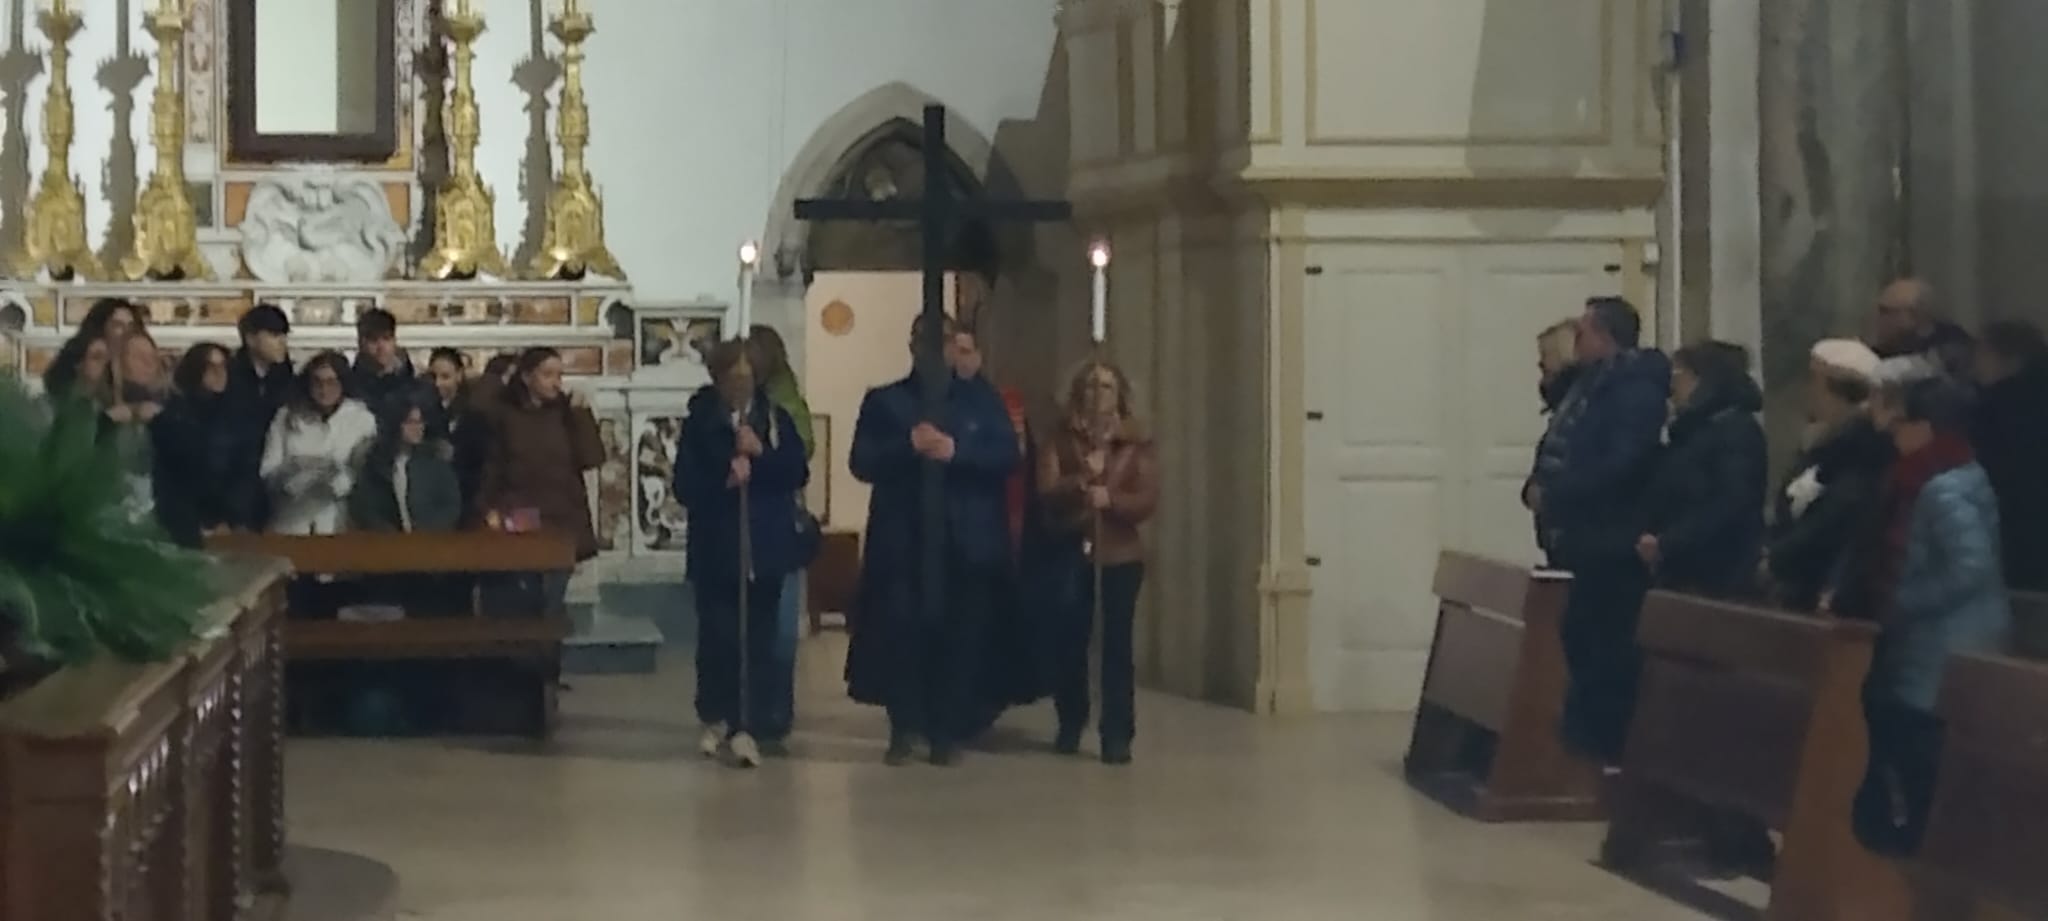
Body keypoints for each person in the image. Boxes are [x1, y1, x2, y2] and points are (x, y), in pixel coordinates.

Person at [1840, 367, 2009, 857]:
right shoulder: (1949, 475)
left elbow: (1970, 566)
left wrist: (1900, 602)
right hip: (1937, 641)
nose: (1894, 435)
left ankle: (1919, 854)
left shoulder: (1942, 488)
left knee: (1918, 753)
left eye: (1901, 424)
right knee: (1906, 744)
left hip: (1944, 642)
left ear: (1924, 427)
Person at [845, 314, 1019, 766]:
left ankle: (947, 729)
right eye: (925, 341)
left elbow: (1006, 453)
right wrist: (907, 445)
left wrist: (957, 451)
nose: (934, 351)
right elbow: (862, 460)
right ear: (912, 345)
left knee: (960, 636)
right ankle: (905, 725)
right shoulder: (886, 401)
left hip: (964, 542)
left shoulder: (980, 401)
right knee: (902, 634)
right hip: (904, 541)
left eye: (942, 342)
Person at [1526, 296, 1671, 765]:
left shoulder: (1635, 390)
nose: (1576, 339)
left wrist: (1559, 494)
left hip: (1608, 541)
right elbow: (1561, 440)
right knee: (1579, 639)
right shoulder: (1590, 383)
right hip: (1576, 538)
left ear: (1605, 336)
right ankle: (1581, 749)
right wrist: (1537, 487)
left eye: (1583, 331)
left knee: (1605, 649)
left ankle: (1604, 753)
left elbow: (1620, 462)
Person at [675, 340, 809, 766]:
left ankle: (750, 722)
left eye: (747, 377)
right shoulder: (700, 423)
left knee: (759, 640)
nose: (740, 385)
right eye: (732, 377)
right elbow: (684, 485)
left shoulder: (774, 419)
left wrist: (761, 456)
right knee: (719, 638)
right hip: (717, 547)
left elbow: (796, 471)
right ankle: (716, 715)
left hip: (763, 548)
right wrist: (724, 481)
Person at [1038, 359, 1159, 764]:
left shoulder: (1136, 443)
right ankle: (1071, 719)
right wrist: (1080, 483)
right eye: (1090, 386)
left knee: (1116, 645)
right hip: (1073, 549)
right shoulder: (1061, 438)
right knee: (1070, 640)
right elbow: (1046, 488)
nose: (1097, 394)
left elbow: (1147, 498)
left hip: (1120, 555)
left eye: (1106, 387)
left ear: (1119, 394)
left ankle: (1117, 732)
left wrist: (1112, 499)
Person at [1764, 340, 1893, 611]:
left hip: (1825, 588)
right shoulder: (1822, 442)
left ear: (1838, 392)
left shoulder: (1860, 448)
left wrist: (1778, 557)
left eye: (1815, 382)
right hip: (1798, 581)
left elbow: (1835, 518)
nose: (1808, 392)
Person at [476, 347, 606, 615]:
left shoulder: (567, 413)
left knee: (553, 603)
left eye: (559, 375)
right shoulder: (505, 415)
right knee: (524, 598)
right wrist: (488, 508)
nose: (556, 383)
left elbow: (592, 457)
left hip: (562, 517)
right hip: (522, 515)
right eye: (548, 375)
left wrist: (581, 415)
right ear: (527, 377)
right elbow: (493, 467)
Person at [1635, 341, 1767, 598]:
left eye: (1678, 375)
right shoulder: (1695, 431)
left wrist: (1668, 543)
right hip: (1683, 566)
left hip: (1716, 572)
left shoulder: (1734, 431)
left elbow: (1730, 503)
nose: (1671, 388)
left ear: (1702, 380)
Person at [747, 324, 815, 737]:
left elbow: (801, 454)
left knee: (781, 628)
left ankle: (777, 709)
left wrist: (764, 450)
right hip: (750, 521)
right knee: (758, 627)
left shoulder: (783, 404)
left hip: (778, 519)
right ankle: (756, 709)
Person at [259, 351, 377, 535]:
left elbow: (365, 473)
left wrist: (336, 479)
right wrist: (293, 471)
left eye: (331, 382)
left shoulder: (361, 419)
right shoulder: (287, 416)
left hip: (338, 521)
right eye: (317, 382)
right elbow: (267, 470)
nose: (324, 389)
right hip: (291, 520)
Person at [1969, 320, 2048, 589]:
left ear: (2011, 360)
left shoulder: (1996, 408)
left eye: (1983, 355)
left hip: (2015, 522)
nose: (1976, 364)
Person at [152, 343, 254, 546]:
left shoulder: (238, 415)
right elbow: (176, 475)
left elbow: (244, 469)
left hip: (229, 519)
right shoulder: (175, 416)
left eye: (223, 366)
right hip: (186, 519)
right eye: (210, 366)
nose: (219, 373)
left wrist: (233, 517)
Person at [349, 398, 463, 534]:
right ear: (395, 424)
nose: (418, 427)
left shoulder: (435, 462)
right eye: (411, 422)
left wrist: (427, 531)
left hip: (430, 539)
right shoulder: (375, 466)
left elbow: (451, 505)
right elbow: (363, 507)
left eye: (420, 422)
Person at [228, 303, 295, 527]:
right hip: (238, 479)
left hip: (275, 479)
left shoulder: (286, 378)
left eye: (284, 335)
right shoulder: (230, 378)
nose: (282, 342)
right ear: (251, 339)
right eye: (274, 335)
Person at [426, 347, 491, 516]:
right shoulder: (422, 413)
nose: (438, 383)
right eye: (433, 377)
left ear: (459, 376)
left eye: (445, 377)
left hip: (466, 499)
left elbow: (482, 464)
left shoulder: (475, 417)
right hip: (430, 499)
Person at [351, 307, 438, 429]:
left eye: (386, 338)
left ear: (394, 341)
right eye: (374, 340)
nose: (381, 347)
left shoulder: (420, 388)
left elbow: (436, 432)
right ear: (361, 343)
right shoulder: (349, 388)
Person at [1870, 279, 1973, 379]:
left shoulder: (1954, 347)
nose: (1877, 318)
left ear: (1916, 314)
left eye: (1885, 311)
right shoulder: (1883, 350)